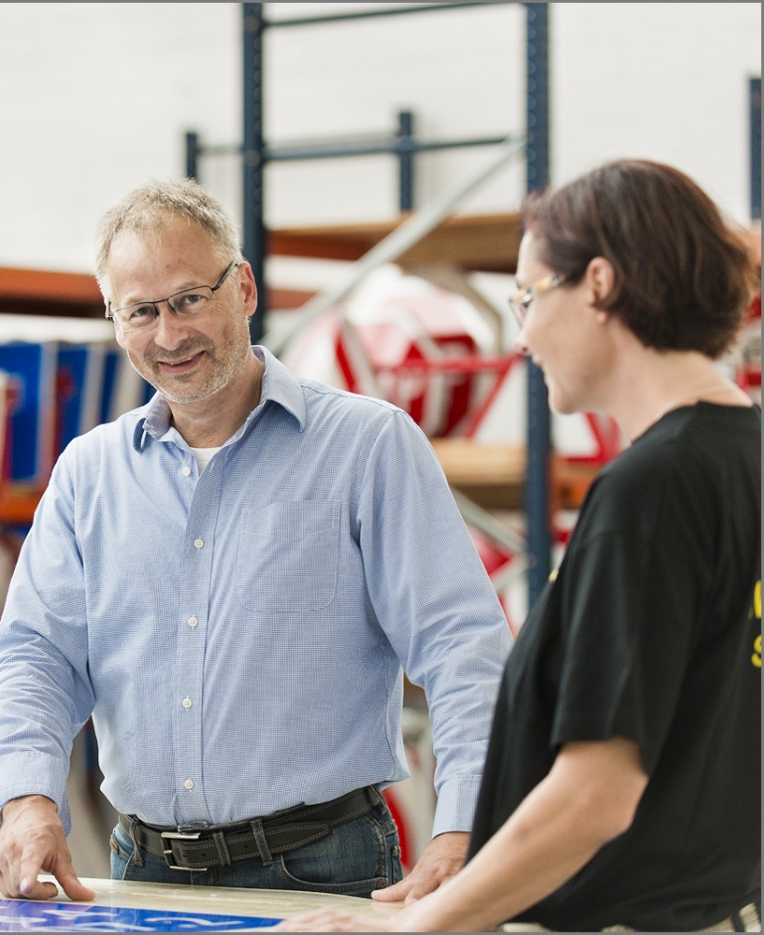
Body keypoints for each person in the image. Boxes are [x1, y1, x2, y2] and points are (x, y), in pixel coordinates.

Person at [0, 178, 513, 903]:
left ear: (243, 288)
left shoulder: (367, 447)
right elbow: (37, 653)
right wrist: (26, 796)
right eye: (141, 311)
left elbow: (463, 646)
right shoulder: (89, 473)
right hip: (142, 873)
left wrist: (465, 825)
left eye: (189, 299)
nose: (169, 334)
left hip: (322, 870)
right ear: (114, 319)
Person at [277, 159, 762, 932]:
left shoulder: (652, 489)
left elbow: (595, 795)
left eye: (529, 298)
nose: (524, 337)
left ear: (599, 284)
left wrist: (412, 929)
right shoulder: (747, 457)